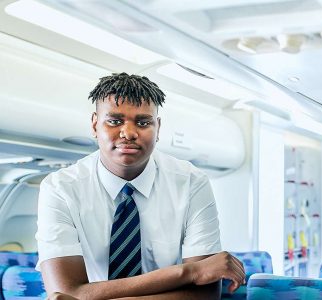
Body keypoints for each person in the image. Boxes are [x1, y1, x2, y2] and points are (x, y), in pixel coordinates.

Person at [36, 73, 245, 299]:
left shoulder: (192, 183)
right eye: (115, 121)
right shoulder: (60, 188)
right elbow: (66, 292)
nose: (129, 133)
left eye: (143, 122)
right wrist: (190, 272)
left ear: (158, 128)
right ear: (95, 125)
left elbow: (204, 294)